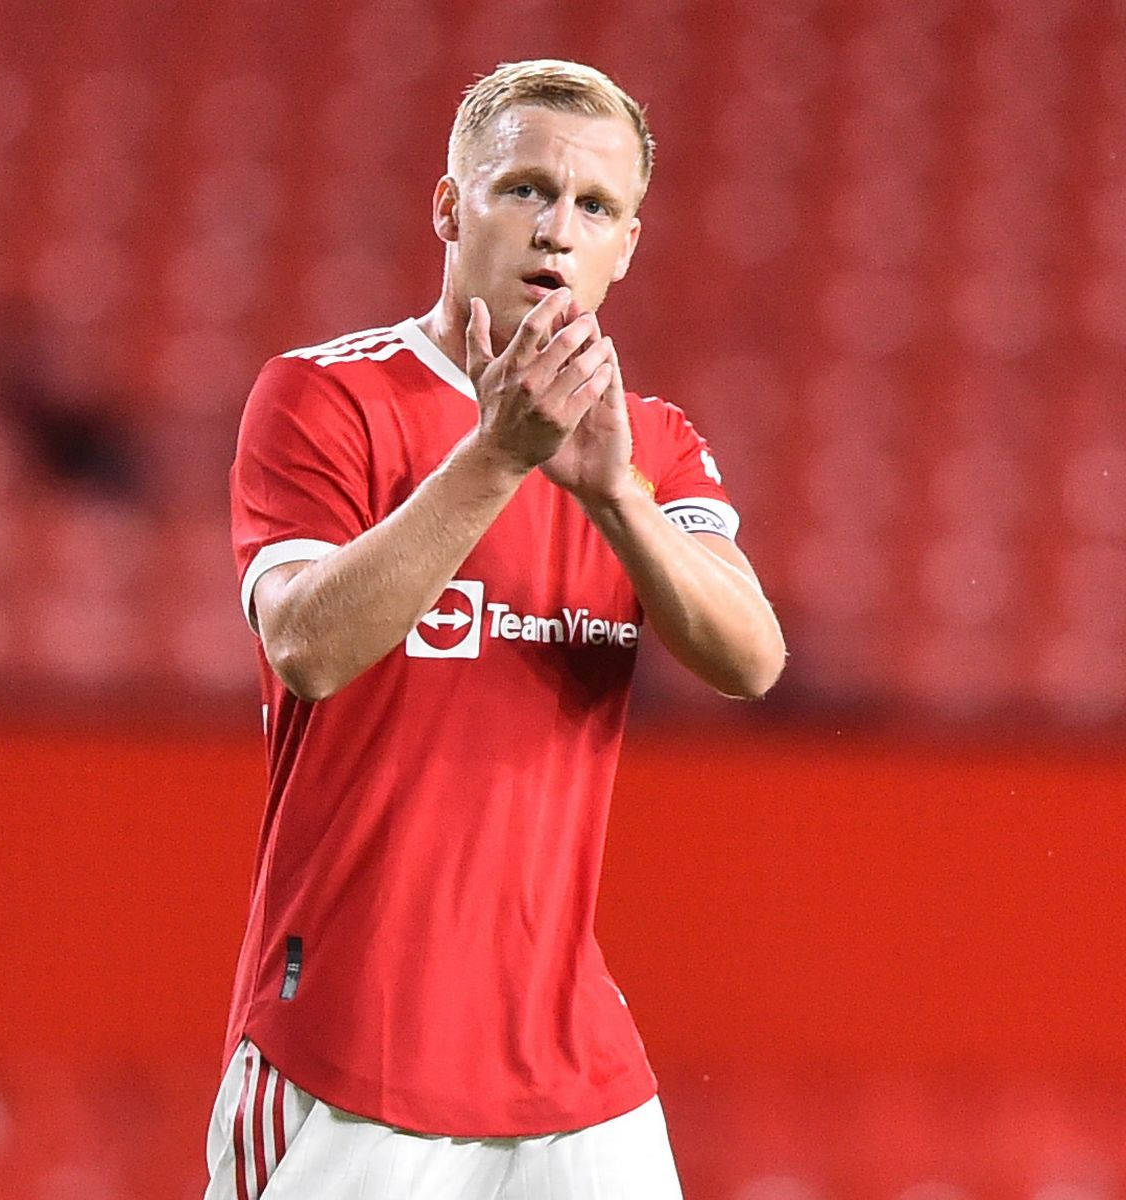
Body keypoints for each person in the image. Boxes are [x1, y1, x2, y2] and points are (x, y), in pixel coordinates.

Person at [206, 58, 786, 1200]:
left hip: (575, 1072)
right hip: (347, 1047)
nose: (557, 231)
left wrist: (614, 496)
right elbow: (307, 647)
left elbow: (751, 658)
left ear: (628, 245)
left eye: (596, 207)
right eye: (524, 189)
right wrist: (499, 458)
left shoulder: (652, 446)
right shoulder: (323, 397)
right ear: (448, 206)